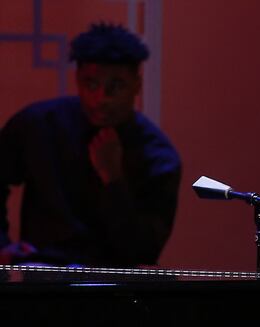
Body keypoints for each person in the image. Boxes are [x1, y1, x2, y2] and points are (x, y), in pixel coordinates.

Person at [0, 23, 181, 267]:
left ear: (137, 84)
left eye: (115, 86)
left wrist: (113, 179)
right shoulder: (38, 124)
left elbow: (143, 251)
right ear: (77, 79)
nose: (101, 99)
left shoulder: (157, 156)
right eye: (91, 84)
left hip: (112, 290)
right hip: (39, 277)